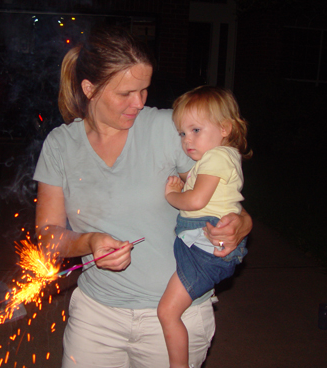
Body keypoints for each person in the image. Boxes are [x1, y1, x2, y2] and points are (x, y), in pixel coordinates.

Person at [33, 25, 252, 368]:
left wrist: (241, 222)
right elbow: (48, 239)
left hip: (176, 314)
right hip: (97, 317)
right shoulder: (59, 146)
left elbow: (219, 191)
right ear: (89, 89)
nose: (139, 102)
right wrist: (89, 241)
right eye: (126, 93)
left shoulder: (169, 130)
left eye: (145, 89)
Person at [157, 86, 252, 368]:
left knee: (167, 312)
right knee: (169, 310)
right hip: (204, 242)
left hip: (205, 244)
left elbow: (197, 200)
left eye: (196, 130)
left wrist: (172, 195)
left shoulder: (217, 157)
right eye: (182, 133)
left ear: (224, 128)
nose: (187, 140)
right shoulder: (214, 159)